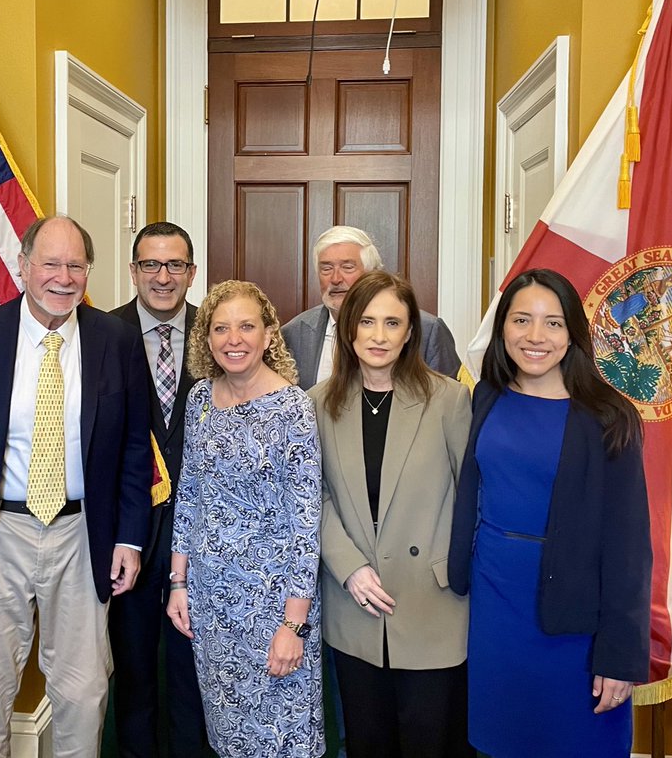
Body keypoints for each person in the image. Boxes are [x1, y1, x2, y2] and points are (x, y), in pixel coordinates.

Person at [0, 216, 152, 758]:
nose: (64, 277)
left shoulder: (118, 340)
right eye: (51, 264)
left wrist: (129, 537)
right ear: (23, 268)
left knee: (84, 694)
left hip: (83, 532)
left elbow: (133, 446)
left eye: (76, 265)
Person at [447, 268, 652, 758]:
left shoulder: (609, 416)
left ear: (572, 333)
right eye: (521, 320)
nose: (535, 337)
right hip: (496, 608)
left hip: (576, 621)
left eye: (553, 323)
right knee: (498, 742)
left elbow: (629, 546)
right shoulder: (486, 397)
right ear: (502, 330)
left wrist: (620, 656)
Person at [311, 271, 473, 757]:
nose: (379, 336)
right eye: (366, 321)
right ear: (348, 330)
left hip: (431, 603)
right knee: (367, 742)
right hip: (355, 604)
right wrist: (350, 567)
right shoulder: (317, 404)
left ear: (409, 333)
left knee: (431, 742)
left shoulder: (448, 399)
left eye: (392, 323)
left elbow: (472, 497)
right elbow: (311, 498)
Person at [167, 280, 325, 757]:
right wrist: (177, 583)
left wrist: (293, 626)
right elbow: (190, 494)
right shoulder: (199, 400)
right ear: (207, 339)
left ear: (270, 334)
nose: (233, 339)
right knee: (229, 735)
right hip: (211, 604)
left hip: (273, 606)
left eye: (246, 327)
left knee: (282, 738)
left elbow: (305, 522)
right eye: (221, 328)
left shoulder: (293, 408)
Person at [109, 221, 209, 756]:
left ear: (192, 273)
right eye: (151, 264)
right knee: (134, 674)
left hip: (203, 543)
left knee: (194, 676)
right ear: (133, 271)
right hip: (128, 539)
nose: (163, 276)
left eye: (175, 265)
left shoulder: (221, 335)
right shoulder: (102, 332)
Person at [281, 226, 462, 390]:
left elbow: (447, 407)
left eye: (348, 267)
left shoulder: (428, 330)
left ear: (371, 273)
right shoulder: (294, 333)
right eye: (326, 269)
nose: (335, 279)